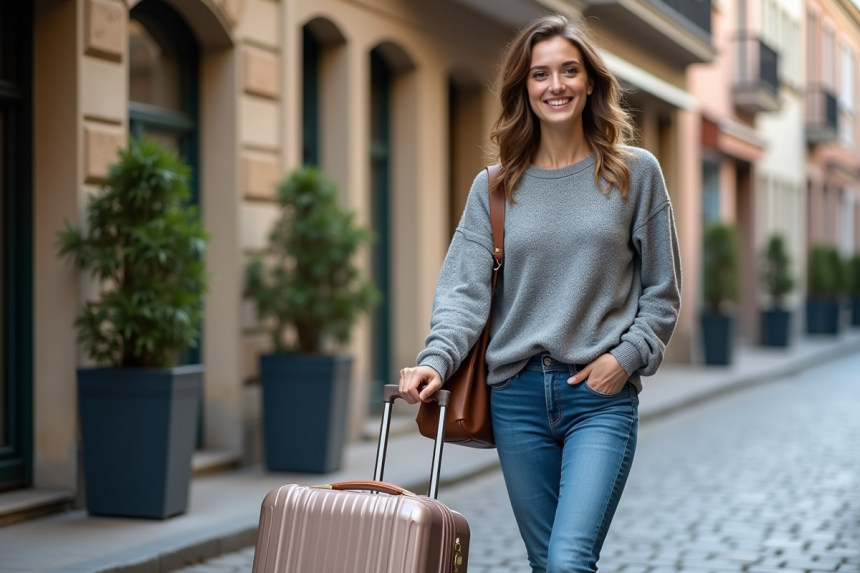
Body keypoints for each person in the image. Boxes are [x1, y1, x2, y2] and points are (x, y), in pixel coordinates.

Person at [398, 12, 682, 573]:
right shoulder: (494, 188)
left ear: (590, 81)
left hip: (598, 399)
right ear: (524, 88)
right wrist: (435, 361)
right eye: (540, 74)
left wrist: (625, 359)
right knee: (543, 562)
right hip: (516, 399)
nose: (556, 85)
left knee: (568, 560)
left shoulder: (635, 174)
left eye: (569, 70)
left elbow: (662, 292)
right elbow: (464, 295)